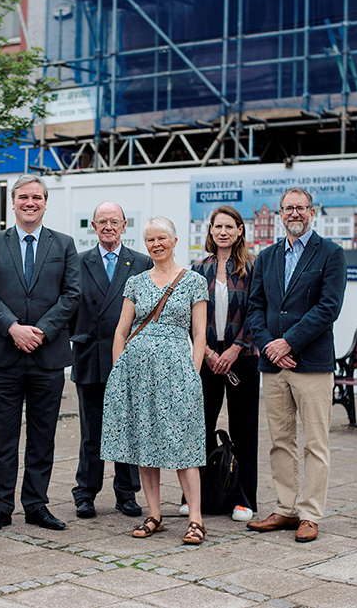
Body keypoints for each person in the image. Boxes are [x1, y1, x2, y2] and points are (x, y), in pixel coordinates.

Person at [0, 174, 80, 532]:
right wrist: (13, 328)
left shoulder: (64, 245)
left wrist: (43, 331)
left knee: (42, 437)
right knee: (2, 439)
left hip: (47, 357)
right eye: (23, 197)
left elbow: (72, 294)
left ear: (45, 202)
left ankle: (36, 505)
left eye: (36, 197)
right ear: (14, 202)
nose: (30, 203)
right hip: (4, 356)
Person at [246, 187, 347, 543]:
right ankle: (285, 509)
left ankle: (309, 513)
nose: (294, 213)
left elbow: (328, 308)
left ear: (312, 212)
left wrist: (289, 341)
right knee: (280, 441)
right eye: (288, 208)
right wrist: (268, 347)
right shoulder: (268, 256)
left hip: (312, 364)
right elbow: (254, 308)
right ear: (280, 212)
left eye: (300, 208)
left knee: (315, 443)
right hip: (275, 367)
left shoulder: (331, 254)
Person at [101, 216, 209, 545]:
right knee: (145, 445)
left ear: (174, 241)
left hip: (178, 375)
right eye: (150, 240)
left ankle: (195, 518)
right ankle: (154, 514)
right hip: (138, 376)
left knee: (184, 446)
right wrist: (121, 371)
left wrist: (193, 374)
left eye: (162, 238)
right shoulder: (135, 282)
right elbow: (121, 331)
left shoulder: (193, 282)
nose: (156, 244)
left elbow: (200, 333)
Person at [70, 202, 152, 519]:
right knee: (92, 430)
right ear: (93, 226)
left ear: (124, 224)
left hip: (128, 358)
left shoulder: (141, 262)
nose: (108, 227)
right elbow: (69, 307)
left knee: (127, 428)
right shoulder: (78, 262)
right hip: (90, 355)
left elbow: (148, 311)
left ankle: (126, 493)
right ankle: (86, 493)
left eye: (113, 221)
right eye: (102, 221)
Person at [188, 205, 259, 522]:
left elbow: (257, 313)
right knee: (200, 427)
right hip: (207, 360)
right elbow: (191, 317)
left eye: (230, 227)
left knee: (244, 429)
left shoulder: (252, 267)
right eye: (218, 226)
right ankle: (198, 495)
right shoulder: (198, 269)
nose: (223, 232)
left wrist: (235, 349)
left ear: (240, 231)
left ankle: (244, 498)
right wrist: (208, 354)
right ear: (211, 231)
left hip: (242, 360)